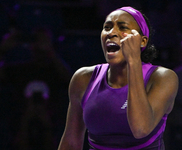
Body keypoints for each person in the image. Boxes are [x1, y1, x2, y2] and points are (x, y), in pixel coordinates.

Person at [57, 6, 178, 150]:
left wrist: (133, 60)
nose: (111, 33)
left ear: (142, 41)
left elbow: (140, 129)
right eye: (107, 27)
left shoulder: (163, 78)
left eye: (123, 27)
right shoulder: (83, 78)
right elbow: (71, 144)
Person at [0, 27, 71, 149]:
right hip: (18, 126)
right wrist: (3, 49)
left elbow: (70, 79)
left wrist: (51, 53)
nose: (39, 46)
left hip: (50, 126)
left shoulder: (55, 70)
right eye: (36, 42)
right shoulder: (20, 69)